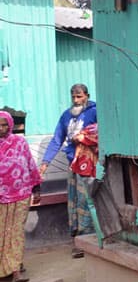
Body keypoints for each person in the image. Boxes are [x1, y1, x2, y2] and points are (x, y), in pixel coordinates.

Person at [40, 83, 98, 258]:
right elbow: (57, 139)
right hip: (72, 163)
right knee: (74, 200)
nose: (76, 100)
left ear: (87, 96)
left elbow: (103, 132)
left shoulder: (95, 112)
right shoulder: (66, 115)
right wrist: (45, 162)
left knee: (86, 201)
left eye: (79, 96)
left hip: (90, 164)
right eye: (73, 96)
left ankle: (87, 241)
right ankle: (78, 237)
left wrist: (84, 137)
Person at [0, 111, 42, 282]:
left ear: (10, 125)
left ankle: (15, 270)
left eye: (4, 124)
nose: (1, 128)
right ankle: (6, 267)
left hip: (21, 193)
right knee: (2, 233)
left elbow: (30, 164)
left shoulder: (19, 142)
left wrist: (37, 188)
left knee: (16, 232)